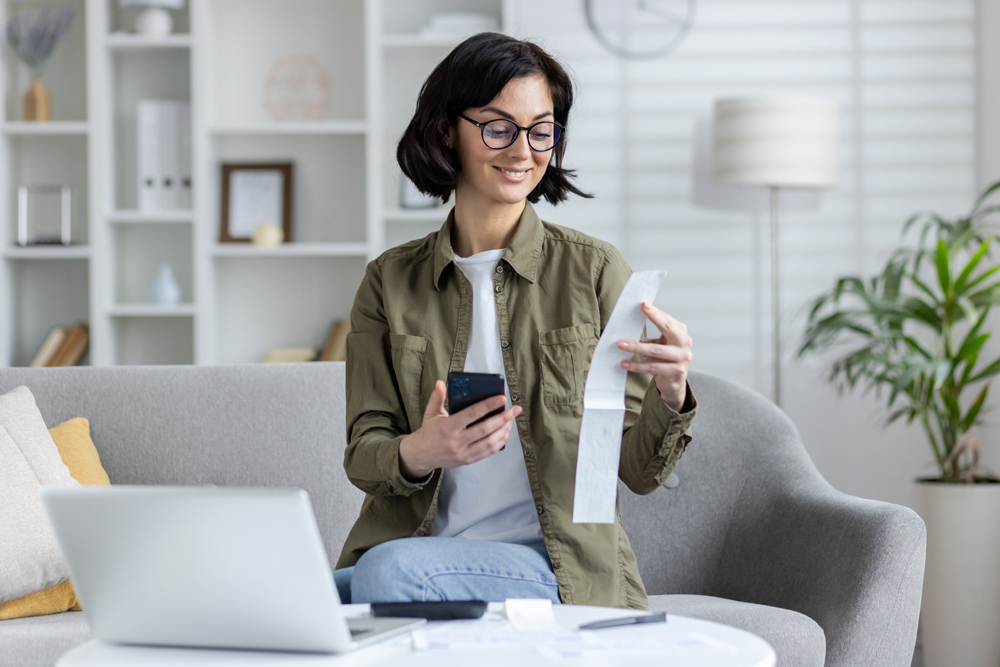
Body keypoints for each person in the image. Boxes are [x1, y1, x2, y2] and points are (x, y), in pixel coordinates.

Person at [333, 32, 696, 610]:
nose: (523, 150)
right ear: (445, 130)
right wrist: (423, 450)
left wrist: (671, 392)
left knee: (386, 576)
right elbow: (364, 452)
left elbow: (635, 470)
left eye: (541, 129)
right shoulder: (389, 280)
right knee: (294, 595)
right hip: (419, 551)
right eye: (498, 127)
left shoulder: (596, 271)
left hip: (552, 570)